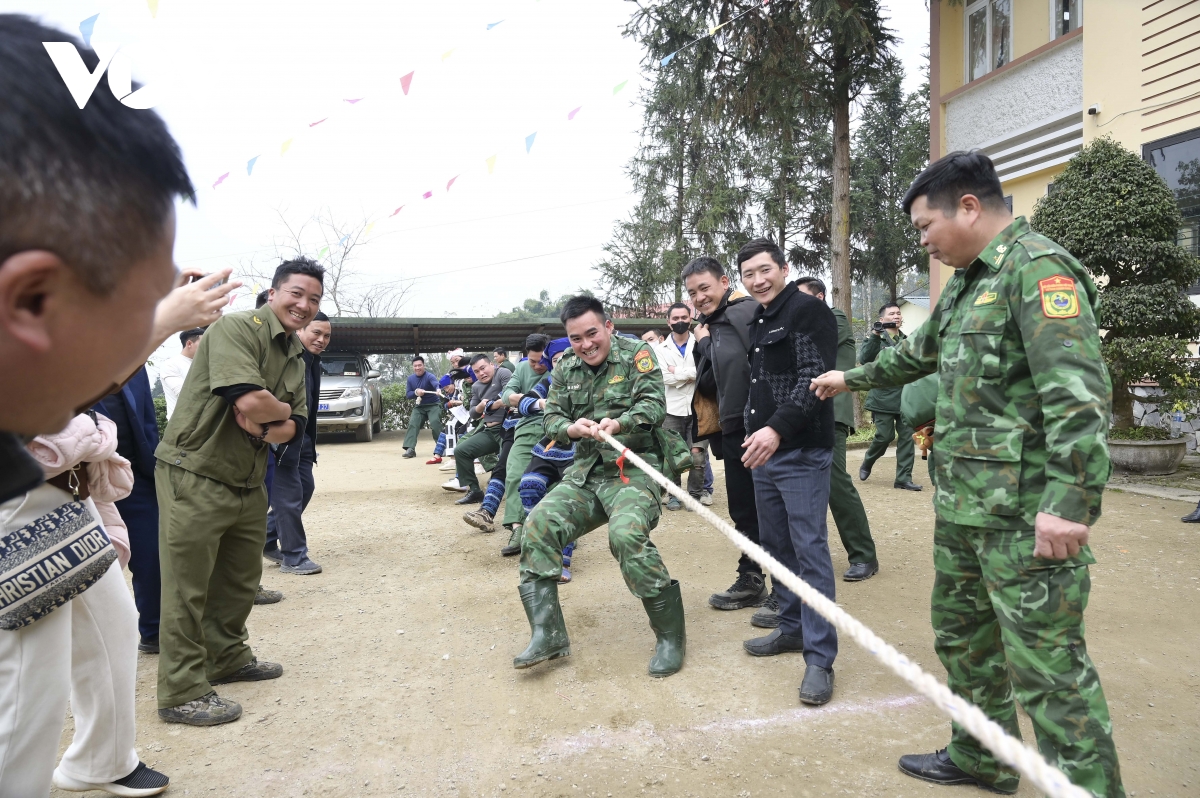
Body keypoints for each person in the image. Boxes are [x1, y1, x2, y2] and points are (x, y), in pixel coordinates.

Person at [811, 150, 1123, 796]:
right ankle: (983, 756)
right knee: (964, 642)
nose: (924, 241)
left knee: (1050, 672)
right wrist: (851, 378)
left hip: (1023, 517)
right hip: (964, 509)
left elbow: (1079, 398)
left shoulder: (1037, 272)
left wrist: (1069, 501)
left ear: (971, 207)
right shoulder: (969, 283)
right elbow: (919, 355)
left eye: (926, 227)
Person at [0, 14, 226, 794]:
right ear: (30, 300)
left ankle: (104, 758)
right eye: (142, 306)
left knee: (110, 632)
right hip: (28, 519)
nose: (150, 332)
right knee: (25, 697)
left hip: (66, 510)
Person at [155, 257, 323, 726]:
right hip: (197, 472)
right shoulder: (235, 329)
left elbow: (292, 428)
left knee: (240, 579)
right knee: (187, 587)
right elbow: (249, 401)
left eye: (314, 299)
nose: (304, 305)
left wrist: (272, 417)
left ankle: (227, 658)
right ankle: (181, 690)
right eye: (296, 293)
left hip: (249, 478)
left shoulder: (296, 353)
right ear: (274, 294)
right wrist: (275, 412)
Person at [515, 296, 686, 677]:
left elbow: (655, 405)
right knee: (537, 526)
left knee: (625, 536)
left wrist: (620, 423)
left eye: (592, 333)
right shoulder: (566, 368)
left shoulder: (637, 353)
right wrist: (569, 429)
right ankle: (548, 634)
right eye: (576, 338)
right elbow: (552, 417)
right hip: (585, 473)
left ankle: (670, 637)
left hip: (633, 470)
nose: (586, 344)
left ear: (608, 326)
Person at [738, 238, 839, 707]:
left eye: (764, 270)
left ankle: (820, 659)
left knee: (809, 548)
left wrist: (775, 430)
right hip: (764, 453)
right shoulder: (759, 317)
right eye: (748, 274)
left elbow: (812, 380)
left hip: (798, 450)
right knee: (777, 548)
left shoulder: (807, 311)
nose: (757, 280)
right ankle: (793, 629)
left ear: (783, 268)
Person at [685, 257, 773, 615]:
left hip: (762, 428)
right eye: (692, 293)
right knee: (743, 508)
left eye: (705, 288)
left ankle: (788, 589)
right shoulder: (711, 322)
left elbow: (736, 364)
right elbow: (710, 378)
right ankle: (751, 577)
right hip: (733, 428)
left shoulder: (745, 312)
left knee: (772, 509)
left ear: (724, 282)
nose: (699, 297)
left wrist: (704, 343)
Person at [795, 277, 879, 582]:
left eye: (801, 297)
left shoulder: (835, 317)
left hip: (830, 412)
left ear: (818, 297)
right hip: (801, 411)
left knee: (834, 481)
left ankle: (863, 555)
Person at [95, 368, 166, 653]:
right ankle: (96, 645)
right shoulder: (60, 361)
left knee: (152, 556)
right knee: (90, 566)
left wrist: (155, 470)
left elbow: (147, 420)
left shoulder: (134, 365)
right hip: (80, 482)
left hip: (137, 478)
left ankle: (155, 631)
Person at [264, 312, 331, 575]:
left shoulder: (312, 360)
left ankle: (266, 537)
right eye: (316, 332)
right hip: (282, 440)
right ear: (300, 330)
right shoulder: (287, 358)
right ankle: (294, 556)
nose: (322, 339)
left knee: (305, 487)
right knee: (288, 495)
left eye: (327, 335)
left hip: (303, 437)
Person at [465, 334, 550, 537]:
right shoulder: (520, 369)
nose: (538, 366)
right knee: (506, 467)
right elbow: (503, 397)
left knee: (547, 474)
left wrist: (509, 401)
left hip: (551, 426)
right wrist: (511, 399)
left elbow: (499, 402)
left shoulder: (558, 368)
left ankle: (555, 525)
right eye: (532, 361)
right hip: (517, 425)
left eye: (542, 361)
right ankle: (489, 512)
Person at [858, 302, 921, 491]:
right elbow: (865, 359)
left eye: (898, 313)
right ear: (882, 319)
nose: (896, 316)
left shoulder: (908, 339)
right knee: (885, 437)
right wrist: (876, 335)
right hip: (882, 397)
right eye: (892, 313)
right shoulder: (876, 338)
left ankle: (903, 478)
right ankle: (868, 461)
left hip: (905, 397)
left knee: (907, 438)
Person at [657, 302, 710, 511]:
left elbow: (706, 373)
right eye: (675, 318)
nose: (680, 322)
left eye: (684, 318)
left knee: (697, 455)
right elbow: (663, 378)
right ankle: (674, 495)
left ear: (691, 319)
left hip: (700, 407)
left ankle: (694, 496)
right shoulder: (659, 350)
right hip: (671, 409)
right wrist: (690, 374)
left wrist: (677, 372)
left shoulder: (702, 343)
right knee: (673, 455)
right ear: (668, 322)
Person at [450, 354, 512, 504]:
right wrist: (480, 406)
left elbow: (508, 395)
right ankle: (475, 491)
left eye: (483, 368)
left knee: (508, 460)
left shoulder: (503, 373)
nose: (481, 373)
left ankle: (513, 492)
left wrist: (490, 403)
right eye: (477, 371)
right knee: (461, 450)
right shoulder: (476, 386)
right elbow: (473, 413)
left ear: (492, 364)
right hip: (489, 430)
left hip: (508, 428)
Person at [402, 356, 443, 459]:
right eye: (415, 366)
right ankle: (410, 449)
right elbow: (408, 394)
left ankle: (442, 448)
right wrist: (416, 392)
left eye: (419, 365)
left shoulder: (430, 376)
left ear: (424, 366)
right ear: (413, 367)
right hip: (420, 406)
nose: (417, 368)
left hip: (433, 405)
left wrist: (438, 389)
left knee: (435, 423)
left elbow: (436, 384)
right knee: (413, 423)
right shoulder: (410, 379)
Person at [159, 327, 204, 419]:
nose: (206, 347)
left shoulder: (204, 364)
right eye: (203, 343)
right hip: (181, 422)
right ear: (189, 344)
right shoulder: (171, 364)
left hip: (204, 421)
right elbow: (183, 393)